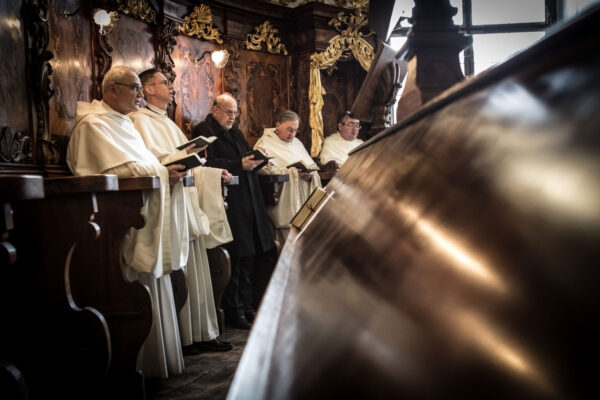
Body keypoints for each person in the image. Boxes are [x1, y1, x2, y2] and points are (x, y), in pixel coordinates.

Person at [66, 66, 185, 378]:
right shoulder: (93, 124)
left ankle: (157, 364)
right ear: (112, 89)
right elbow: (115, 171)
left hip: (138, 215)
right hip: (114, 225)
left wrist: (165, 170)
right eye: (134, 88)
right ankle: (140, 365)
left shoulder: (123, 123)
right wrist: (162, 172)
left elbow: (143, 164)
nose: (140, 96)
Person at [130, 68, 233, 353]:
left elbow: (189, 162)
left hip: (184, 200)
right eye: (164, 82)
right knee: (177, 271)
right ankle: (182, 338)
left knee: (194, 268)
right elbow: (150, 165)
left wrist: (213, 173)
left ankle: (199, 332)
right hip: (164, 204)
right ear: (148, 89)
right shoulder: (137, 121)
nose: (171, 87)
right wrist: (173, 166)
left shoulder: (168, 123)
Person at [193, 93, 276, 330]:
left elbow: (246, 156)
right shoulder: (203, 131)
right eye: (229, 112)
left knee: (249, 257)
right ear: (215, 109)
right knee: (236, 257)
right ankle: (234, 310)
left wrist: (259, 160)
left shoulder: (236, 133)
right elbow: (203, 165)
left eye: (235, 112)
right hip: (227, 202)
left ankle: (248, 305)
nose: (233, 117)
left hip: (249, 199)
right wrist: (238, 165)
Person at [254, 110, 322, 244]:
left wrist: (310, 174)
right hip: (282, 199)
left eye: (295, 130)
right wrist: (290, 171)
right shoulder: (264, 142)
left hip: (304, 197)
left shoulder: (297, 142)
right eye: (289, 130)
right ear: (278, 125)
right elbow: (261, 168)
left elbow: (312, 165)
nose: (292, 134)